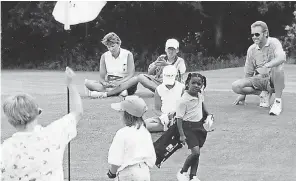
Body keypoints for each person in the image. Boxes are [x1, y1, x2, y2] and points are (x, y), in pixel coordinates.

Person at [1, 67, 83, 181]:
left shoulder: (6, 148)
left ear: (10, 121)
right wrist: (70, 84)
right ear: (38, 112)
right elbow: (78, 112)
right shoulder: (54, 134)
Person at [92, 38, 186, 98]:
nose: (171, 51)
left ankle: (107, 94)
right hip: (159, 84)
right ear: (165, 49)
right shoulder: (161, 57)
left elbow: (180, 74)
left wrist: (166, 65)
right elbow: (150, 73)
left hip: (174, 85)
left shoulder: (180, 61)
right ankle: (162, 92)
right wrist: (155, 65)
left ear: (177, 50)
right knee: (140, 77)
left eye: (173, 49)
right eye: (169, 49)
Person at [232, 21, 286, 116]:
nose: (254, 37)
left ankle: (277, 103)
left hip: (272, 80)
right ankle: (263, 93)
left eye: (257, 34)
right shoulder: (251, 49)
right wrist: (243, 95)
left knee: (278, 68)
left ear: (266, 33)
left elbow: (282, 58)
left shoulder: (274, 42)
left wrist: (267, 66)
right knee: (236, 86)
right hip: (259, 80)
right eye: (252, 34)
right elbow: (248, 72)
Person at [107, 95, 156, 181]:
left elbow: (116, 160)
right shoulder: (145, 132)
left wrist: (112, 173)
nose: (120, 114)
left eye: (122, 112)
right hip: (144, 172)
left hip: (128, 173)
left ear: (128, 115)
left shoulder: (122, 133)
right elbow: (151, 158)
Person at [176, 73, 210, 181]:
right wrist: (181, 135)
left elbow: (202, 105)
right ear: (187, 84)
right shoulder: (183, 100)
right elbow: (179, 119)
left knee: (196, 153)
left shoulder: (200, 94)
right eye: (193, 83)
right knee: (196, 152)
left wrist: (208, 115)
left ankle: (193, 176)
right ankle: (182, 171)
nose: (196, 86)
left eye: (199, 84)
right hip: (188, 128)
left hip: (199, 126)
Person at [85, 32, 137, 98]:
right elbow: (102, 77)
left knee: (135, 79)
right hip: (110, 83)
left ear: (118, 43)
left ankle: (105, 93)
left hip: (124, 82)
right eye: (108, 47)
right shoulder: (104, 56)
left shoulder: (128, 54)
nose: (111, 49)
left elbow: (131, 75)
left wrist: (119, 82)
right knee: (88, 83)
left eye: (113, 46)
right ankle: (118, 92)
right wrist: (104, 83)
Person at [144, 65, 185, 132]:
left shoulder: (182, 88)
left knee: (145, 127)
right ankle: (168, 126)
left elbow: (185, 107)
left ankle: (170, 127)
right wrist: (163, 115)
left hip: (178, 118)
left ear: (176, 77)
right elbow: (157, 109)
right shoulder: (159, 89)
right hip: (164, 118)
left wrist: (174, 114)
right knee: (143, 123)